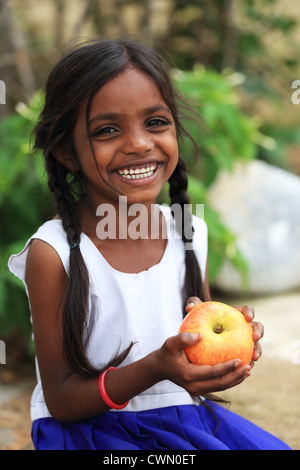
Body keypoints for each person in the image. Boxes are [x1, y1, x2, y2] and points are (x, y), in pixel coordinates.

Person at [8, 38, 290, 450]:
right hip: (94, 433)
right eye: (107, 130)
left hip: (185, 422)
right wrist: (156, 367)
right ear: (66, 153)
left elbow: (198, 338)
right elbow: (63, 400)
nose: (139, 143)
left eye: (156, 122)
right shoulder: (53, 254)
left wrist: (231, 349)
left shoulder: (189, 233)